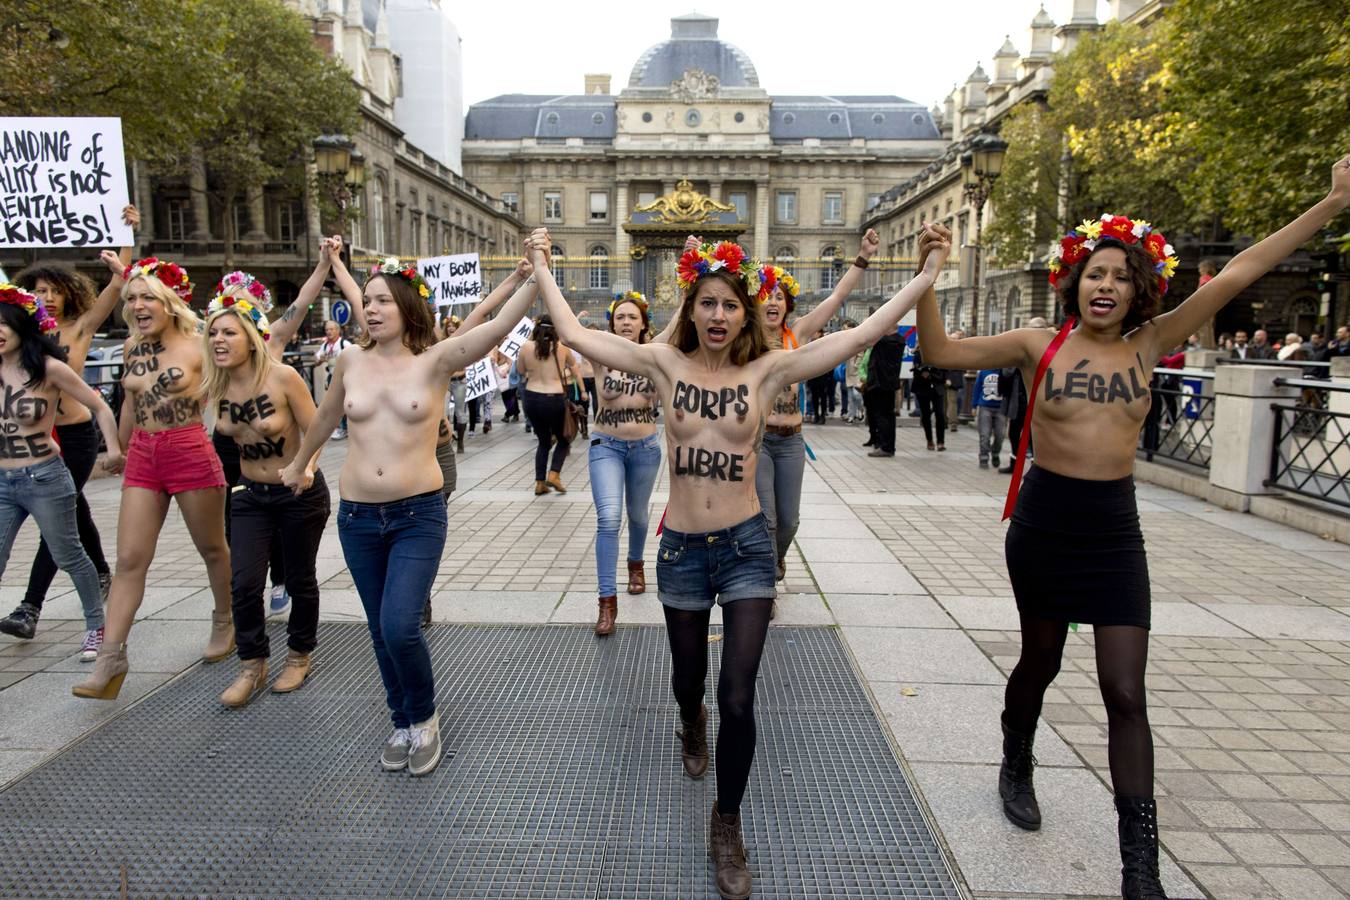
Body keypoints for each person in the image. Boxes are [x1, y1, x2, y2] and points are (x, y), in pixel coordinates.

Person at [914, 155, 1350, 900]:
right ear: (1073, 282)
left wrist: (1332, 203)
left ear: (1137, 287)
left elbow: (1240, 273)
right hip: (1045, 523)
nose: (1106, 285)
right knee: (1041, 663)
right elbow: (941, 352)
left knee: (1124, 690)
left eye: (1119, 275)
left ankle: (1139, 866)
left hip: (1116, 532)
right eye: (1094, 273)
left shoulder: (1150, 343)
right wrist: (929, 274)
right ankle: (1017, 754)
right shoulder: (1034, 344)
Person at [528, 226, 948, 899]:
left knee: (740, 696)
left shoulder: (769, 370)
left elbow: (859, 335)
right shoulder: (665, 366)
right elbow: (577, 336)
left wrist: (925, 276)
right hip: (685, 555)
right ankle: (689, 718)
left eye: (730, 305)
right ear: (690, 309)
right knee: (690, 683)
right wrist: (543, 264)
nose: (719, 316)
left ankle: (727, 823)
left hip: (749, 549)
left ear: (744, 312)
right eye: (708, 304)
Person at [279, 255, 539, 777]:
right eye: (366, 301)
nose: (370, 309)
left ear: (405, 305)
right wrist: (300, 463)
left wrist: (534, 278)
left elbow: (497, 325)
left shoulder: (436, 360)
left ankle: (424, 718)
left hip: (417, 514)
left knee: (400, 625)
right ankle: (403, 720)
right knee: (378, 628)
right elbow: (327, 415)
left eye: (381, 300)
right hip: (356, 518)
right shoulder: (349, 361)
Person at [74, 256, 235, 699]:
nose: (139, 305)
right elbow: (129, 403)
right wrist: (119, 451)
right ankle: (111, 657)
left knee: (212, 548)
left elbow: (241, 378)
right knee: (129, 559)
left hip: (188, 449)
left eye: (148, 297)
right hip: (144, 454)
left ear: (169, 302)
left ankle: (225, 619)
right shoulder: (131, 347)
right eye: (132, 299)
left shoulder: (201, 343)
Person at [0, 206, 137, 643]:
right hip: (27, 446)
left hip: (72, 438)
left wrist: (126, 232)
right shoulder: (10, 345)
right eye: (39, 290)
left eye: (55, 290)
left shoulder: (78, 329)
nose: (48, 297)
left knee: (59, 526)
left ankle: (31, 606)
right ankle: (99, 571)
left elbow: (118, 284)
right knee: (73, 515)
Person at [202, 288, 328, 707]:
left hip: (298, 494)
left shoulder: (283, 377)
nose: (218, 340)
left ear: (252, 338)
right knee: (244, 585)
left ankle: (299, 654)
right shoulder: (216, 386)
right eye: (214, 333)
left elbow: (318, 430)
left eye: (229, 333)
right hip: (250, 496)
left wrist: (306, 467)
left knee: (298, 579)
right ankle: (251, 665)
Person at [754, 229, 880, 581]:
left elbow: (837, 297)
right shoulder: (743, 343)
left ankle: (777, 558)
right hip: (759, 441)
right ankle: (765, 584)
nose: (774, 302)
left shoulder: (798, 334)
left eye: (779, 296)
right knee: (766, 517)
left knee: (789, 520)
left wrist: (864, 257)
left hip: (792, 440)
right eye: (766, 296)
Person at [588, 292, 662, 636]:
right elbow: (569, 329)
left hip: (645, 448)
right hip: (607, 446)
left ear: (643, 323)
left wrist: (694, 275)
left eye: (633, 317)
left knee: (638, 515)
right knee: (608, 518)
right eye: (621, 317)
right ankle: (607, 603)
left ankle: (636, 565)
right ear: (612, 323)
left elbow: (680, 324)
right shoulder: (599, 354)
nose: (627, 322)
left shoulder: (654, 355)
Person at [517, 314, 586, 495]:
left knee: (543, 441)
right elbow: (574, 366)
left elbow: (520, 371)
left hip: (532, 397)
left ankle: (540, 483)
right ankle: (554, 474)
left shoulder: (525, 347)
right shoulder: (561, 348)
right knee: (563, 439)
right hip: (554, 398)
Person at [862, 327, 903, 457]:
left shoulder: (883, 342)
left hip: (878, 383)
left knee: (881, 416)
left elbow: (868, 337)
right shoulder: (900, 341)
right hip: (890, 383)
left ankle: (884, 446)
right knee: (889, 416)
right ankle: (889, 446)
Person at [315, 319, 352, 439]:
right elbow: (316, 360)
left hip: (346, 378)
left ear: (337, 330)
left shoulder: (344, 344)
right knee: (335, 405)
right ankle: (341, 428)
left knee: (346, 403)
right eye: (327, 330)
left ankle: (345, 428)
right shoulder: (325, 345)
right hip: (332, 378)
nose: (329, 332)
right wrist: (321, 359)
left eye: (331, 329)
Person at [910, 342, 947, 451]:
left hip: (936, 386)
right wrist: (921, 372)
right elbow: (915, 369)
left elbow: (944, 369)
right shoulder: (918, 353)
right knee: (925, 415)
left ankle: (941, 441)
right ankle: (929, 440)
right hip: (922, 387)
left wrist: (935, 375)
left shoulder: (939, 352)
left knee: (940, 414)